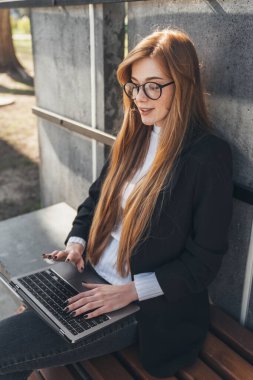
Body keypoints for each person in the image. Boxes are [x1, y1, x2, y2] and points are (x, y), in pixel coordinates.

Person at [0, 27, 233, 379]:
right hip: (85, 277)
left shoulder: (207, 157)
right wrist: (77, 244)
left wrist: (129, 292)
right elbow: (95, 201)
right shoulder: (135, 136)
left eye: (154, 85)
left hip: (142, 310)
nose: (140, 97)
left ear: (183, 85)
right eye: (135, 85)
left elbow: (204, 263)